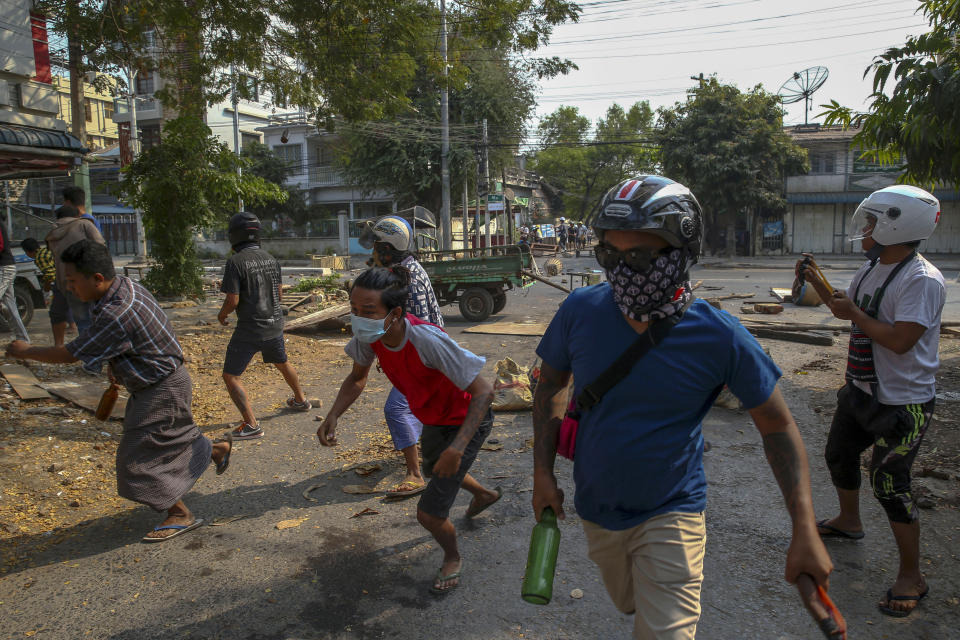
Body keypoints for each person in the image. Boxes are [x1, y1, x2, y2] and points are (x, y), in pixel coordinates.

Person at [532, 175, 832, 639]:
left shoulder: (720, 336)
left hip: (674, 508)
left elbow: (777, 426)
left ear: (680, 254)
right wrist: (543, 474)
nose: (623, 270)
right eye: (610, 255)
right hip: (597, 506)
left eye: (639, 256)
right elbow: (550, 384)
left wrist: (804, 528)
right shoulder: (581, 310)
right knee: (627, 599)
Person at [5, 240, 232, 542]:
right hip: (163, 380)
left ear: (97, 278)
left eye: (72, 281)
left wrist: (26, 350)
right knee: (170, 435)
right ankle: (217, 449)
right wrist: (118, 363)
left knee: (134, 462)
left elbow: (72, 353)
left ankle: (179, 513)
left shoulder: (117, 311)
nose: (69, 288)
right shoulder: (125, 286)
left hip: (161, 387)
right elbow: (127, 340)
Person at [317, 266, 502, 593]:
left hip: (466, 418)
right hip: (435, 417)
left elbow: (484, 392)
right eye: (354, 310)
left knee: (429, 514)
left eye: (368, 311)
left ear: (396, 313)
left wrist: (456, 448)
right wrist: (333, 414)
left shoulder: (427, 340)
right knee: (436, 470)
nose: (358, 318)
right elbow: (357, 378)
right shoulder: (368, 338)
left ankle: (453, 557)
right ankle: (485, 494)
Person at [808, 185, 944, 618]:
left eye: (870, 223)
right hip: (862, 387)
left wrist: (855, 316)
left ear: (895, 226)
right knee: (838, 455)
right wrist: (818, 282)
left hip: (904, 403)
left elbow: (902, 341)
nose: (863, 230)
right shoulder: (871, 268)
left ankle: (912, 577)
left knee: (890, 485)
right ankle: (850, 522)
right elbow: (846, 312)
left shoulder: (921, 280)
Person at [359, 215, 444, 496]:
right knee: (418, 407)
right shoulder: (407, 267)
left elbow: (417, 325)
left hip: (423, 354)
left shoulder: (406, 277)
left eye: (375, 246)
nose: (370, 252)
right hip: (428, 351)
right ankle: (430, 455)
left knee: (396, 408)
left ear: (386, 249)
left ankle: (415, 473)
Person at [218, 212, 310, 440]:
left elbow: (233, 300)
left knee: (231, 376)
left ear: (234, 236)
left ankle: (251, 424)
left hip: (250, 328)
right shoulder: (271, 259)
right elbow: (278, 293)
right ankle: (301, 400)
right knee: (282, 362)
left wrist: (222, 315)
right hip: (274, 324)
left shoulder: (235, 262)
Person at [45, 204, 105, 333]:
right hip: (92, 279)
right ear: (77, 215)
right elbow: (101, 247)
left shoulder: (52, 233)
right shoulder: (84, 224)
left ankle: (87, 350)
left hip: (68, 283)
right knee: (101, 318)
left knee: (82, 321)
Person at [22, 237, 72, 346]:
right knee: (66, 304)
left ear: (28, 251)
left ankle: (66, 335)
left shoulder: (39, 257)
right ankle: (72, 326)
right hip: (65, 279)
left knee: (57, 309)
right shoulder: (45, 251)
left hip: (58, 282)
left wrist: (46, 286)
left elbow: (50, 275)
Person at [0, 223, 29, 342]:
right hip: (6, 267)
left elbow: (0, 246)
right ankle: (23, 340)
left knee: (10, 308)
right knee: (12, 308)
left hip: (4, 268)